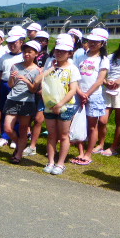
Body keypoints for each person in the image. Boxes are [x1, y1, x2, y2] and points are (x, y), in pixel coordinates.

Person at [36, 39, 80, 175]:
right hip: (50, 105)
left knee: (64, 135)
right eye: (57, 50)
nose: (59, 53)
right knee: (51, 134)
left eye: (63, 51)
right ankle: (50, 161)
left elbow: (73, 90)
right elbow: (38, 80)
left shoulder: (72, 69)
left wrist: (60, 104)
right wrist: (51, 68)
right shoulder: (51, 66)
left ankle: (60, 163)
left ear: (69, 53)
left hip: (66, 106)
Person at [71, 28, 110, 165]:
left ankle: (88, 153)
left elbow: (100, 80)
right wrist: (80, 92)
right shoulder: (80, 57)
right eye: (90, 41)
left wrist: (87, 94)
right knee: (78, 122)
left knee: (92, 126)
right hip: (78, 94)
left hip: (94, 96)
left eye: (96, 42)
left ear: (102, 43)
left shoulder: (103, 59)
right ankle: (81, 152)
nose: (92, 43)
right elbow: (74, 76)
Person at [3, 41, 42, 164]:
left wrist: (26, 81)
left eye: (30, 52)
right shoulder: (15, 66)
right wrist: (12, 77)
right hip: (12, 99)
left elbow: (34, 90)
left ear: (36, 54)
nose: (26, 54)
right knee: (8, 128)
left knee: (23, 129)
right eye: (25, 52)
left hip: (27, 101)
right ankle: (20, 144)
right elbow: (11, 85)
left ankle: (19, 154)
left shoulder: (38, 71)